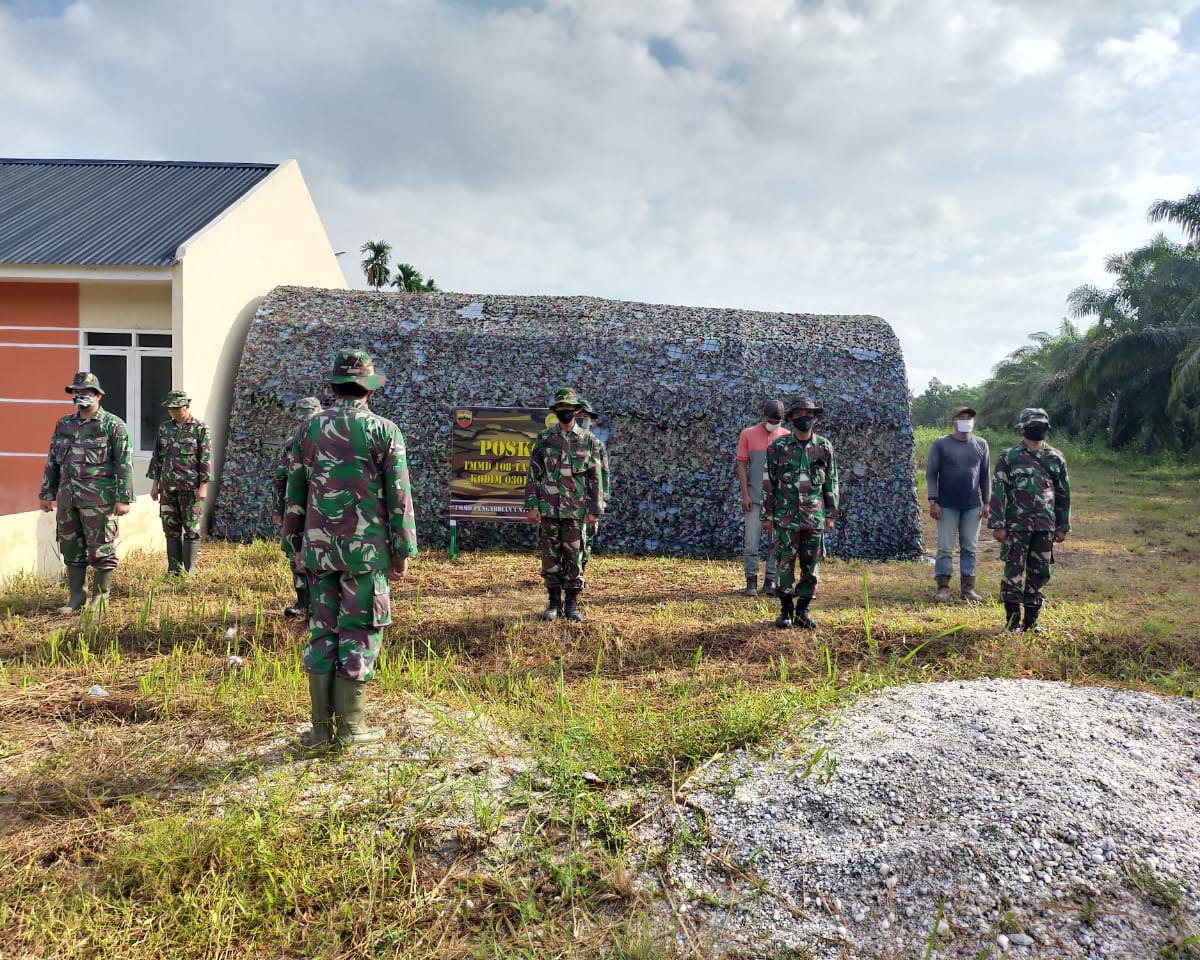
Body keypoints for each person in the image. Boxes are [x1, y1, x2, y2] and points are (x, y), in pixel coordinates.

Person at [283, 350, 417, 748]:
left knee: (322, 631)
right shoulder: (384, 431)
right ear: (369, 390)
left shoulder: (308, 429)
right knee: (358, 632)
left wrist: (294, 543)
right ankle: (351, 729)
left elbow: (295, 491)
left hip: (318, 550)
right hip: (365, 553)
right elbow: (399, 495)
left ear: (334, 386)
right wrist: (403, 549)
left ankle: (320, 730)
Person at [38, 372, 134, 612]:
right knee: (70, 547)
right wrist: (47, 492)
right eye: (76, 392)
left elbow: (124, 463)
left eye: (87, 392)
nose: (80, 396)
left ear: (99, 395)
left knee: (101, 547)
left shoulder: (114, 426)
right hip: (67, 497)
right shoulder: (64, 425)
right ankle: (76, 596)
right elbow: (52, 460)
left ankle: (100, 598)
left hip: (98, 500)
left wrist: (123, 498)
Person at [524, 387, 605, 622]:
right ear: (555, 411)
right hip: (548, 509)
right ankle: (552, 603)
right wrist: (532, 505)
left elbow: (595, 477)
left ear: (576, 411)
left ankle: (571, 604)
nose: (565, 412)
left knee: (574, 557)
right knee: (550, 557)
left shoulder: (589, 441)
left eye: (569, 409)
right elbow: (534, 475)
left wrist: (594, 510)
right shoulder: (545, 438)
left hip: (576, 511)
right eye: (560, 408)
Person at [988, 407, 1071, 633]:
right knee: (1013, 573)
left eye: (1042, 424)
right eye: (1034, 425)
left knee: (1039, 573)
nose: (1039, 428)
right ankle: (1012, 623)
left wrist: (1062, 526)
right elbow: (998, 492)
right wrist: (998, 523)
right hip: (1017, 526)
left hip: (1045, 526)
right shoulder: (1009, 457)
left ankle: (1031, 623)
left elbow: (1063, 493)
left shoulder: (1055, 457)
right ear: (1022, 429)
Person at [762, 398, 838, 629]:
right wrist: (767, 515)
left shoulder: (824, 447)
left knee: (811, 566)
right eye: (800, 414)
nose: (805, 418)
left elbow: (831, 482)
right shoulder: (778, 447)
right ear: (792, 418)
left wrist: (831, 514)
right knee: (785, 564)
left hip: (814, 518)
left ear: (815, 418)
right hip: (786, 519)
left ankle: (803, 611)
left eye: (809, 414)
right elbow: (769, 482)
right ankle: (786, 610)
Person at [925, 405, 990, 602]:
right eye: (961, 417)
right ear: (952, 421)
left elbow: (985, 475)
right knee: (945, 546)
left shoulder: (981, 444)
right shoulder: (941, 444)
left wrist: (987, 501)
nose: (966, 420)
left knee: (969, 547)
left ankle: (968, 589)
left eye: (969, 417)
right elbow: (930, 474)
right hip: (946, 504)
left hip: (972, 504)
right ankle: (943, 586)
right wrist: (932, 500)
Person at [147, 389, 212, 577]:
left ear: (186, 406)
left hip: (190, 489)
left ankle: (188, 572)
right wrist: (155, 484)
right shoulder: (165, 428)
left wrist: (203, 486)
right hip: (168, 488)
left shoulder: (200, 428)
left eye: (176, 408)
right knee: (170, 528)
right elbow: (157, 457)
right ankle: (173, 571)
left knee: (191, 528)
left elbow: (206, 458)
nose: (173, 411)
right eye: (170, 408)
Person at [273, 396, 323, 617]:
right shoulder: (291, 443)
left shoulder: (329, 441)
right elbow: (280, 477)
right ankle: (302, 601)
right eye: (302, 419)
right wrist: (278, 510)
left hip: (321, 509)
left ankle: (320, 605)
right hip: (295, 507)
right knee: (295, 552)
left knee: (320, 554)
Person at [737, 399, 786, 596]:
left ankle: (770, 580)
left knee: (776, 542)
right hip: (755, 498)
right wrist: (745, 494)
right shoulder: (747, 434)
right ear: (763, 417)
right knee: (751, 541)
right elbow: (742, 464)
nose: (773, 424)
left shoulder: (786, 437)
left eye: (777, 421)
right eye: (770, 420)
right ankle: (751, 580)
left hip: (777, 502)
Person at [575, 397, 610, 573]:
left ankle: (580, 571)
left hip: (589, 499)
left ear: (591, 419)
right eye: (578, 415)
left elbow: (603, 475)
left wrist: (600, 503)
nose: (581, 418)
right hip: (567, 499)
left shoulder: (596, 444)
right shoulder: (560, 441)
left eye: (585, 416)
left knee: (585, 538)